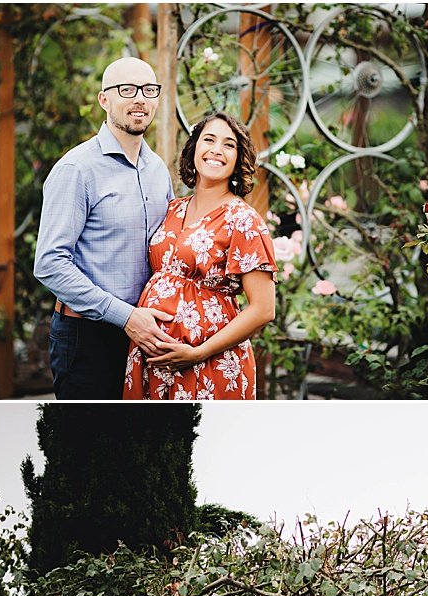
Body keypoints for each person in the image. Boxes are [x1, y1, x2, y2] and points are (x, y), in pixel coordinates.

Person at [34, 57, 179, 398]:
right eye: (127, 90)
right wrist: (125, 316)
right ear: (104, 99)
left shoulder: (157, 170)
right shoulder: (77, 169)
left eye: (148, 90)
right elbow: (50, 264)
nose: (139, 99)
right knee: (90, 443)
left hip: (148, 335)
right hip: (88, 339)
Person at [123, 111, 277, 399]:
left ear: (238, 159)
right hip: (153, 359)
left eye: (229, 145)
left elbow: (264, 309)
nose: (217, 150)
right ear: (194, 149)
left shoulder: (243, 220)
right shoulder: (172, 209)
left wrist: (197, 353)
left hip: (209, 362)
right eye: (209, 139)